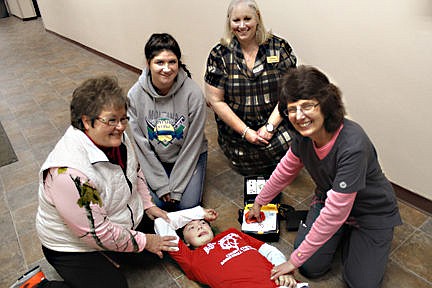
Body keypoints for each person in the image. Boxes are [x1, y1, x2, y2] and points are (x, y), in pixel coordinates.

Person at [248, 66, 402, 288]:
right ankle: (339, 233)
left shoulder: (353, 145)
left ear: (326, 103)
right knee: (310, 267)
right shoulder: (303, 136)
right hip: (329, 203)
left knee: (361, 283)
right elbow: (284, 171)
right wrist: (260, 202)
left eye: (307, 106)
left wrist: (293, 260)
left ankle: (352, 236)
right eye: (292, 109)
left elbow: (335, 213)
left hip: (370, 213)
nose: (299, 116)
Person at [34, 76, 177, 288]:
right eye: (111, 120)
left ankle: (110, 253)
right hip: (73, 245)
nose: (120, 127)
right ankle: (38, 285)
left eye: (123, 119)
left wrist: (148, 205)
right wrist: (145, 241)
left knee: (161, 251)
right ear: (85, 121)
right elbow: (96, 232)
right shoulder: (69, 175)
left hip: (112, 221)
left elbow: (135, 171)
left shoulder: (116, 137)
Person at [204, 0, 297, 176]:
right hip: (237, 134)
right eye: (236, 20)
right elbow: (215, 100)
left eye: (247, 18)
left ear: (257, 19)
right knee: (247, 164)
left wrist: (269, 128)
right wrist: (246, 132)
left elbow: (290, 92)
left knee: (290, 148)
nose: (242, 25)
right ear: (229, 22)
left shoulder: (279, 48)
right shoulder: (219, 55)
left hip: (276, 128)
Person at [128, 33, 208, 211]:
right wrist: (161, 185)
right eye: (159, 62)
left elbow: (192, 144)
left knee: (187, 205)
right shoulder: (134, 96)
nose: (167, 68)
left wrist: (177, 187)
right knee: (158, 205)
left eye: (172, 62)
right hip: (156, 157)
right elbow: (142, 146)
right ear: (148, 63)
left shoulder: (193, 94)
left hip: (188, 155)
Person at [154, 206, 299, 288]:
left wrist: (283, 269)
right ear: (186, 242)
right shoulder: (191, 258)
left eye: (203, 223)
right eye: (191, 227)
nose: (199, 226)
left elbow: (268, 250)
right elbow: (161, 222)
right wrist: (199, 213)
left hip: (285, 283)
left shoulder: (232, 233)